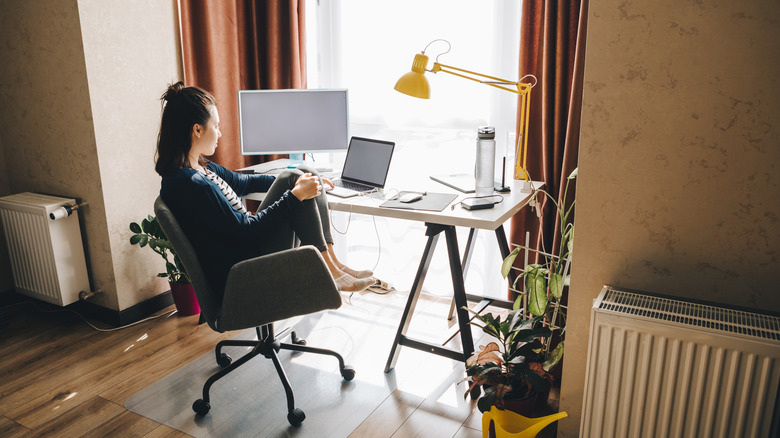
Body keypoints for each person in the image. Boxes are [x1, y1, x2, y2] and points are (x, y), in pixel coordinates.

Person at [155, 81, 374, 298]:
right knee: (296, 183)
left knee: (302, 172)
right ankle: (330, 271)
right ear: (197, 130)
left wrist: (304, 181)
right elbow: (247, 233)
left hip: (249, 252)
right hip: (246, 270)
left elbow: (244, 183)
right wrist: (296, 194)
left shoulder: (201, 168)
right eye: (217, 126)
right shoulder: (193, 184)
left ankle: (333, 264)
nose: (220, 133)